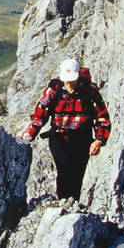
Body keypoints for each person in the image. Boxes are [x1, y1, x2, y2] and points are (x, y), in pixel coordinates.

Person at [19, 58, 111, 201]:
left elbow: (102, 118)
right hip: (59, 137)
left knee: (77, 174)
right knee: (64, 169)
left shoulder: (90, 91)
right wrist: (29, 134)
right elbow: (40, 114)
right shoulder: (54, 91)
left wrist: (99, 140)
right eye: (67, 80)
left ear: (78, 75)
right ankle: (63, 202)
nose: (69, 83)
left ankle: (73, 204)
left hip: (82, 139)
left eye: (72, 79)